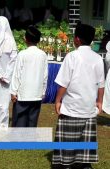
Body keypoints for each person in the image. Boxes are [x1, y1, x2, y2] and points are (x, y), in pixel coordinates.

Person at [52, 24, 105, 169]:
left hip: (71, 107)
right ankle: (83, 162)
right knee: (84, 138)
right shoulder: (98, 58)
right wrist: (100, 101)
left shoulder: (72, 56)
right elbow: (101, 84)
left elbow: (64, 83)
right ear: (92, 39)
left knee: (69, 138)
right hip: (88, 107)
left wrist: (57, 100)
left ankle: (67, 162)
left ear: (77, 39)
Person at [10, 26, 48, 127]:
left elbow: (17, 74)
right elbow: (45, 75)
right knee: (32, 122)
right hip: (36, 94)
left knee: (19, 122)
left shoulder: (22, 54)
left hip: (23, 95)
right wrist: (43, 91)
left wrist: (13, 91)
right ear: (38, 40)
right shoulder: (43, 55)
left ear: (25, 39)